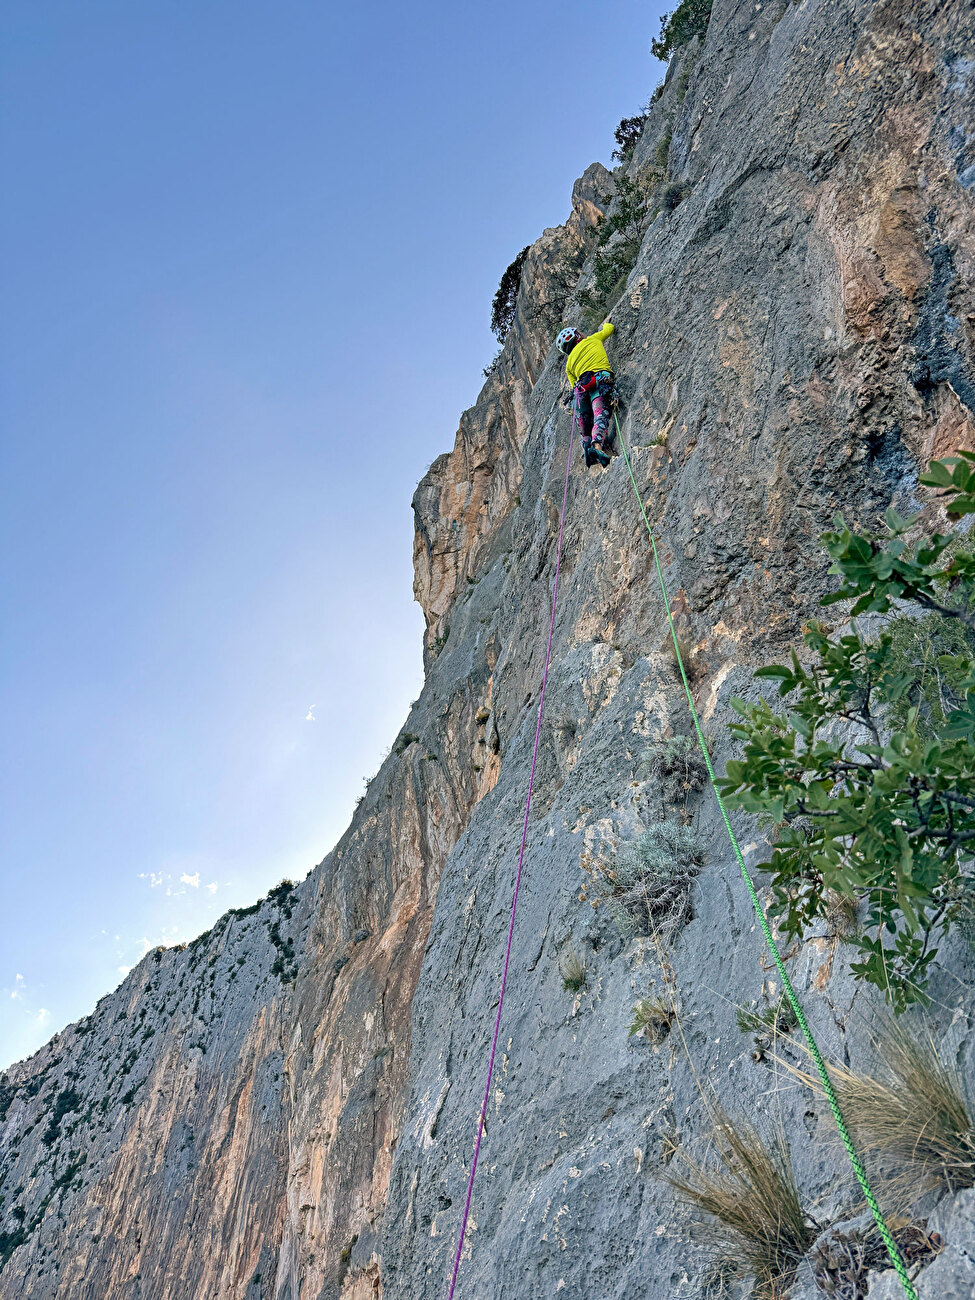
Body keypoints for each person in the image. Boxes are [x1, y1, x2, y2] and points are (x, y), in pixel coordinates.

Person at [556, 322, 616, 468]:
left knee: (585, 421)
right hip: (600, 381)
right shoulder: (593, 339)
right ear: (577, 336)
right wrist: (606, 322)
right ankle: (597, 447)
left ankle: (587, 444)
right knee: (600, 414)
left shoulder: (569, 364)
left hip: (581, 390)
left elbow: (573, 385)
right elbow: (610, 329)